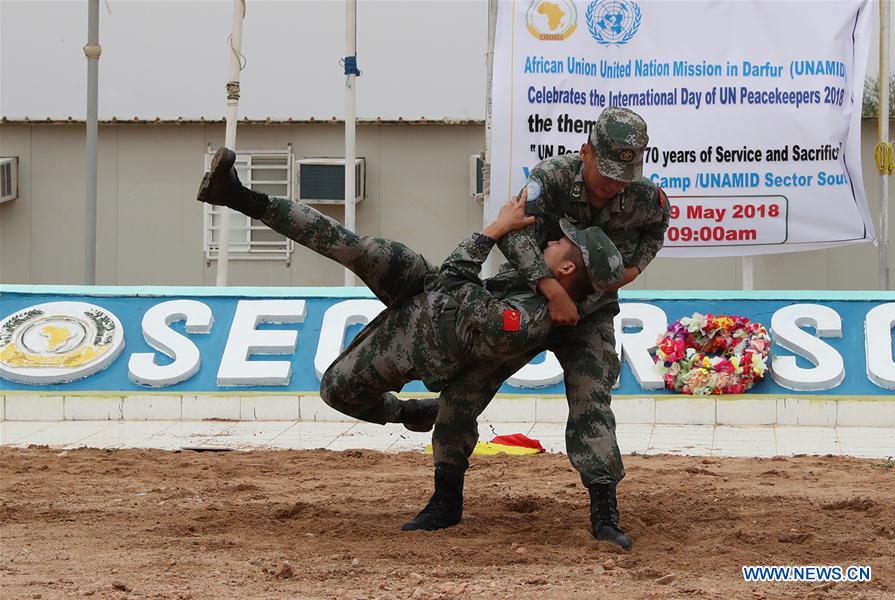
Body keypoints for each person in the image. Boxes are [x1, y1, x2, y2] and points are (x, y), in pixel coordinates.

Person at [196, 147, 623, 436]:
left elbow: (458, 275)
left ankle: (404, 413)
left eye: (560, 243)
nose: (549, 240)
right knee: (359, 248)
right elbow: (470, 271)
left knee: (337, 390)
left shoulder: (524, 322)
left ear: (568, 266)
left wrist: (495, 227)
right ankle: (237, 196)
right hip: (425, 286)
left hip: (422, 342)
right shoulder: (543, 280)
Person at [411, 107, 670, 549]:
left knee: (593, 402)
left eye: (624, 175)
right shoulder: (550, 177)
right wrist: (553, 291)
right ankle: (445, 498)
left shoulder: (646, 197)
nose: (614, 185)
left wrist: (628, 273)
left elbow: (655, 232)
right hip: (528, 299)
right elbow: (515, 234)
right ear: (586, 151)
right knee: (466, 388)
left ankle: (604, 511)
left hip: (590, 316)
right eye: (607, 173)